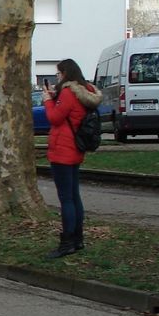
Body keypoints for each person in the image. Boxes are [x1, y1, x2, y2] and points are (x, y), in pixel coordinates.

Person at [43, 58, 101, 258]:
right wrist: (56, 98)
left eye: (58, 73)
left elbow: (55, 118)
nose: (57, 77)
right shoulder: (86, 91)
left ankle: (67, 241)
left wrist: (48, 101)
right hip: (76, 148)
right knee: (74, 196)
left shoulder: (68, 93)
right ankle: (78, 238)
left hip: (63, 150)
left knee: (66, 198)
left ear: (65, 73)